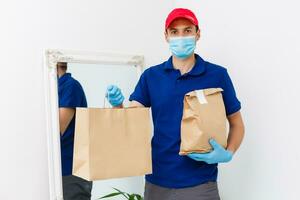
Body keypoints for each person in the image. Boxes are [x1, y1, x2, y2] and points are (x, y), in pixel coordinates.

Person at [106, 8, 245, 200]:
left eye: (187, 31)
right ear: (166, 36)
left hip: (201, 185)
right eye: (174, 32)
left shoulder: (217, 75)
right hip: (157, 183)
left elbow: (237, 123)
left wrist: (228, 153)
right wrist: (118, 105)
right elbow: (132, 119)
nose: (181, 37)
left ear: (198, 33)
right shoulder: (151, 77)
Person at [57, 62, 93, 200]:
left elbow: (57, 130)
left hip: (72, 171)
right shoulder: (53, 88)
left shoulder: (69, 86)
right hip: (61, 170)